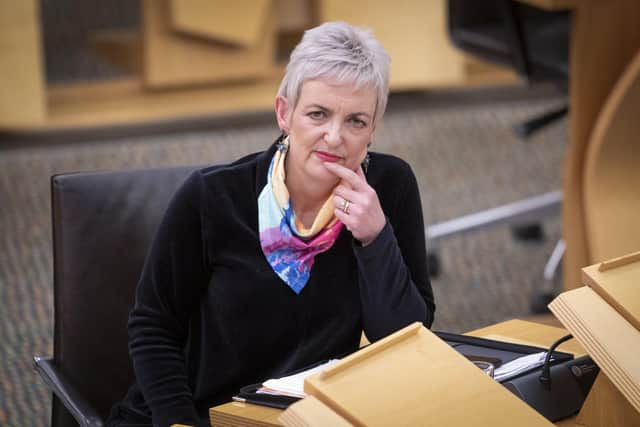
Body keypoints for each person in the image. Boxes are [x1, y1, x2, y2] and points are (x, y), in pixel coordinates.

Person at [107, 21, 435, 427]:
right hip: (196, 413)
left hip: (307, 418)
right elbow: (152, 327)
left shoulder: (390, 187)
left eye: (356, 121)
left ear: (373, 129)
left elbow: (402, 343)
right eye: (318, 114)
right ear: (285, 113)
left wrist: (376, 238)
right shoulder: (212, 198)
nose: (335, 137)